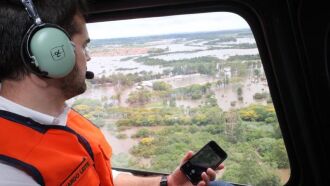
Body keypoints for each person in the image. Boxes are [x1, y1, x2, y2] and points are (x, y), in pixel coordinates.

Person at [0, 0, 232, 186]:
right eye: (83, 46)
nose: (88, 57)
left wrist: (168, 182)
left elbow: (103, 175)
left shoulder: (62, 116)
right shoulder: (12, 172)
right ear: (52, 55)